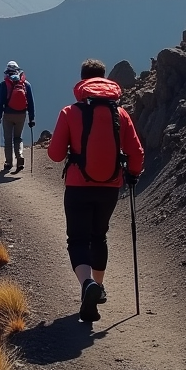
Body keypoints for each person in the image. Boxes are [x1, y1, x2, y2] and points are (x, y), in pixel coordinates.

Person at [47, 58, 145, 323]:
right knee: (99, 236)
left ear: (82, 82)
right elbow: (136, 152)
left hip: (78, 186)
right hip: (109, 187)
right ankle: (99, 287)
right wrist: (133, 174)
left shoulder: (69, 112)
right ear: (105, 80)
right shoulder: (120, 115)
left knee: (77, 240)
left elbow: (55, 155)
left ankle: (87, 284)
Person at [0, 60, 35, 172]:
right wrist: (31, 118)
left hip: (8, 114)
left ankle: (8, 162)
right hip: (21, 115)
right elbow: (31, 103)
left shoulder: (3, 84)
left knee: (8, 139)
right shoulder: (26, 84)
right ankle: (20, 156)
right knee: (18, 137)